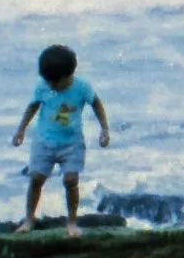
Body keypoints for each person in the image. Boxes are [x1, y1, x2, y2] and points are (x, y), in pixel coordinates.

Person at [10, 44, 110, 235]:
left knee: (71, 181)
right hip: (43, 141)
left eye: (56, 83)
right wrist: (21, 130)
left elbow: (96, 104)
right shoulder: (43, 86)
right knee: (36, 179)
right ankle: (29, 220)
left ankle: (71, 222)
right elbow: (32, 107)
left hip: (71, 143)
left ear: (69, 75)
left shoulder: (82, 87)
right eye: (48, 81)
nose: (52, 86)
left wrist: (104, 129)